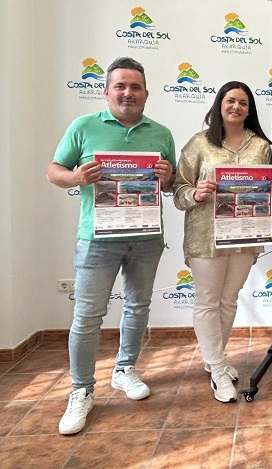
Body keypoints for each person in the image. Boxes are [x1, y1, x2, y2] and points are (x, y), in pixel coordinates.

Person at [47, 57, 176, 435]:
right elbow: (53, 170)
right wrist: (75, 176)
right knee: (87, 317)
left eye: (135, 87)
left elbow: (171, 186)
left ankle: (125, 369)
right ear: (107, 92)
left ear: (146, 94)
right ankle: (81, 390)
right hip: (96, 239)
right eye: (120, 86)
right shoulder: (83, 127)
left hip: (146, 237)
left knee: (137, 306)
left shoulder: (161, 133)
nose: (127, 93)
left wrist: (168, 177)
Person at [173, 81, 272, 403]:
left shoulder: (261, 146)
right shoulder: (199, 144)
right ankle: (219, 369)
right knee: (208, 301)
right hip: (205, 235)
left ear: (250, 110)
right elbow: (178, 191)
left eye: (243, 103)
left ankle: (214, 360)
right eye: (231, 100)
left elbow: (265, 192)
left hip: (244, 234)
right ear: (219, 104)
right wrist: (195, 193)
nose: (236, 107)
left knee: (228, 300)